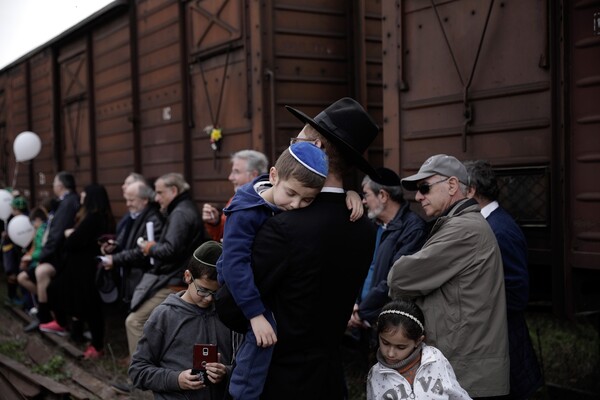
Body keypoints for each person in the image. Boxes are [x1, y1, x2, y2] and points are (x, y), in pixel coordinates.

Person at [246, 97, 380, 398]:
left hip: (279, 379)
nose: (291, 145)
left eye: (298, 140)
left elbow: (232, 307)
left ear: (316, 148)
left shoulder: (284, 226)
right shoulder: (364, 226)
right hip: (330, 380)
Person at [387, 154, 509, 398]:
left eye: (424, 188)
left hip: (467, 376)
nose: (418, 196)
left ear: (452, 185)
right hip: (465, 371)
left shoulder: (464, 229)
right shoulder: (460, 225)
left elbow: (399, 278)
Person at [217, 142, 330, 399]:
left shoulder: (290, 197)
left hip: (268, 280)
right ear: (273, 176)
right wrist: (255, 314)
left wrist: (350, 196)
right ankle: (242, 393)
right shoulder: (245, 211)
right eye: (291, 194)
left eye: (308, 200)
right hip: (241, 288)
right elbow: (236, 265)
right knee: (263, 336)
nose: (297, 204)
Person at [465, 160, 543, 399]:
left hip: (505, 342)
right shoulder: (489, 224)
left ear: (471, 191)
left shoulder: (500, 229)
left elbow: (517, 293)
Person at [129, 241, 239, 400]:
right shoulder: (164, 316)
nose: (209, 298)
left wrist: (226, 372)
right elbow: (137, 371)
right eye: (203, 290)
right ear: (188, 276)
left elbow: (244, 365)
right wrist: (176, 380)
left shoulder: (229, 314)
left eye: (216, 293)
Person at [347, 168, 427, 367]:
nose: (363, 201)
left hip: (384, 321)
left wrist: (361, 311)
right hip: (362, 316)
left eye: (365, 195)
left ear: (382, 195)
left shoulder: (412, 229)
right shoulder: (374, 226)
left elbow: (395, 278)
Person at [128, 173, 207, 361]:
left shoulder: (180, 213)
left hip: (175, 281)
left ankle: (143, 376)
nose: (156, 198)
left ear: (173, 191)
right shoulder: (183, 208)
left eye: (160, 193)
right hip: (178, 277)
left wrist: (150, 247)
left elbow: (171, 250)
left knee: (134, 321)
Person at [42, 184, 116, 359]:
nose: (81, 196)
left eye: (85, 193)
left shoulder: (93, 218)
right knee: (77, 301)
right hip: (83, 268)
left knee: (90, 307)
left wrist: (70, 234)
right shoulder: (102, 217)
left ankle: (96, 346)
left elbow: (73, 242)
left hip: (85, 270)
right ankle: (74, 331)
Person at [367, 299, 471, 399]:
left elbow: (458, 395)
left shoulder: (435, 359)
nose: (390, 353)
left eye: (401, 347)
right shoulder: (375, 374)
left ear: (418, 341)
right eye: (385, 343)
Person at [25, 172, 79, 331]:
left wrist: (43, 256)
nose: (53, 186)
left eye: (55, 183)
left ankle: (46, 318)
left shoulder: (68, 203)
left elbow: (56, 234)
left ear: (61, 185)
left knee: (41, 273)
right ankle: (45, 316)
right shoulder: (64, 202)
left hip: (60, 257)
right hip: (55, 254)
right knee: (33, 274)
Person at [100, 180, 164, 308]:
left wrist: (115, 258)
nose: (127, 204)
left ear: (145, 200)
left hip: (141, 278)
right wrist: (114, 247)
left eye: (132, 200)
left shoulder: (153, 220)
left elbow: (142, 252)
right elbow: (127, 242)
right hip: (132, 278)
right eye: (127, 200)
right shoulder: (135, 216)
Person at [202, 150, 269, 242]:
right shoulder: (236, 199)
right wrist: (215, 223)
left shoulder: (263, 203)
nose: (230, 177)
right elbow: (223, 236)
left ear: (254, 175)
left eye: (236, 172)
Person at [17, 207, 49, 312]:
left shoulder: (41, 230)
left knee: (22, 278)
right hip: (39, 262)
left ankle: (39, 304)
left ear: (38, 220)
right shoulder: (43, 228)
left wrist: (30, 257)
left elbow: (41, 249)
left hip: (39, 263)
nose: (33, 225)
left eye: (33, 222)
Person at [2, 195, 29, 307]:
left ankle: (19, 297)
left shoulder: (20, 220)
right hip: (11, 250)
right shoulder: (16, 219)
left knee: (17, 272)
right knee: (12, 273)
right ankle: (12, 297)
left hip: (17, 250)